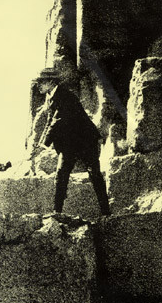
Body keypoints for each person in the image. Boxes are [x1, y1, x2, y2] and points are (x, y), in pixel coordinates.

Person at [34, 68, 111, 215]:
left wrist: (43, 145)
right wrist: (40, 144)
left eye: (41, 82)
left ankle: (106, 212)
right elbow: (49, 122)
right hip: (70, 144)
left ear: (51, 82)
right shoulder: (51, 97)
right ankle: (57, 212)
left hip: (85, 140)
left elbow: (56, 121)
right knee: (61, 174)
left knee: (94, 173)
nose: (38, 85)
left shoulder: (64, 95)